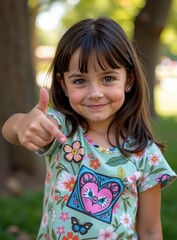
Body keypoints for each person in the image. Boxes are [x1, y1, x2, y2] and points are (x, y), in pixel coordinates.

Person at [2, 17, 176, 240]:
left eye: (108, 78)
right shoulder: (60, 130)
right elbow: (11, 129)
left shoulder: (145, 153)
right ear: (63, 84)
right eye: (80, 81)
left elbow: (151, 231)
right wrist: (21, 123)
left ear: (129, 80)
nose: (95, 92)